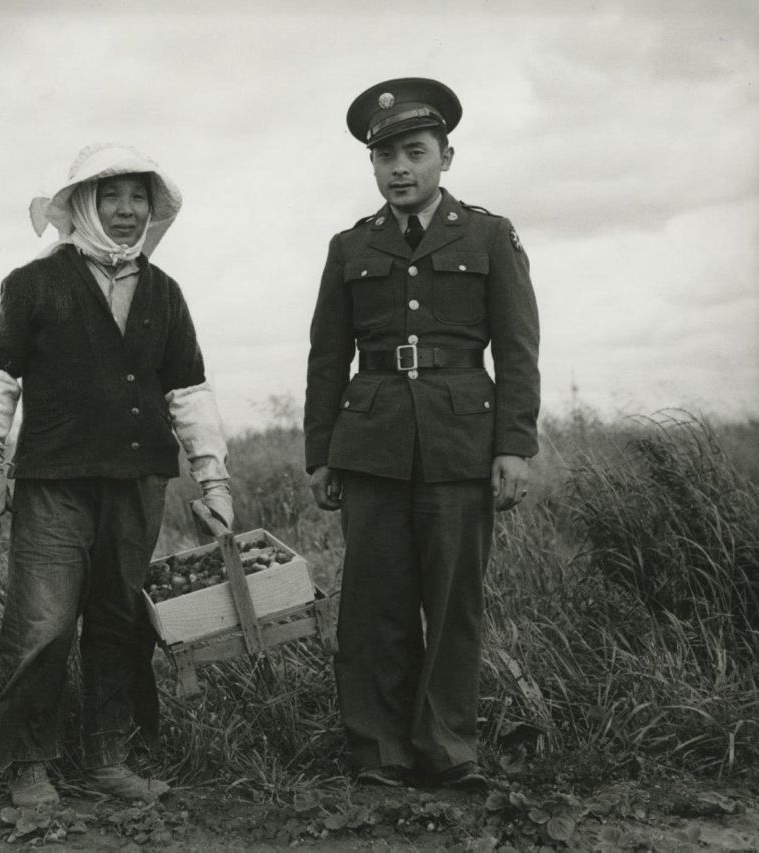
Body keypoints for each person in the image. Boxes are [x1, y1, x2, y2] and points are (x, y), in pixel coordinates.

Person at [0, 143, 233, 806]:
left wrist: (213, 476)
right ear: (82, 203)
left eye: (137, 197)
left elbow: (188, 389)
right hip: (56, 480)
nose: (126, 210)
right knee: (44, 622)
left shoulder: (164, 292)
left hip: (138, 480)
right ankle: (27, 762)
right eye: (111, 196)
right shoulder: (33, 284)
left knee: (118, 620)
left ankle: (106, 759)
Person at [304, 79, 540, 791]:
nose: (399, 168)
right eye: (385, 158)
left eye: (414, 152)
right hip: (371, 442)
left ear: (446, 156)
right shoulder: (350, 245)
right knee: (374, 603)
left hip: (461, 440)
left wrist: (515, 444)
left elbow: (519, 346)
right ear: (372, 168)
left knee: (453, 600)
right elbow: (325, 356)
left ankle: (448, 749)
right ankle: (379, 751)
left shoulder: (489, 236)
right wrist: (320, 452)